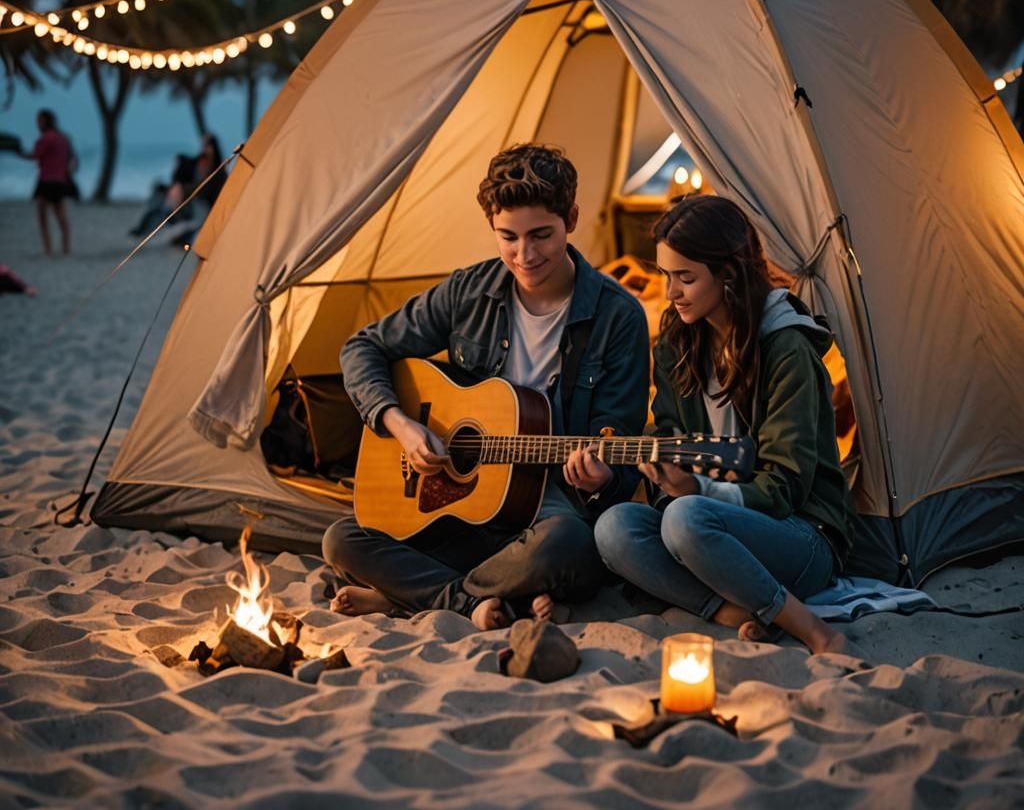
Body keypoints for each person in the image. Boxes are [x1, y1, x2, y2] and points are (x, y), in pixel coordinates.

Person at [323, 144, 650, 631]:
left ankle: (417, 596)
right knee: (341, 539)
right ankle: (475, 598)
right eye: (509, 237)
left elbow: (618, 450)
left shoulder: (618, 317)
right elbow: (361, 348)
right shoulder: (468, 291)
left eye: (542, 234)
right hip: (458, 507)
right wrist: (401, 425)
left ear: (573, 218)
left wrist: (603, 478)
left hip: (547, 513)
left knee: (570, 547)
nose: (526, 255)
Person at [587, 195, 859, 654]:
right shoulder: (676, 344)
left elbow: (787, 488)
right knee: (614, 528)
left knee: (686, 518)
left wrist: (696, 493)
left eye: (686, 278)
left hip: (801, 535)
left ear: (728, 275)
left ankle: (813, 630)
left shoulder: (787, 351)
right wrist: (647, 475)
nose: (670, 293)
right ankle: (735, 611)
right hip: (708, 532)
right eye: (664, 276)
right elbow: (670, 438)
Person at [18, 109, 75, 256]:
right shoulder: (63, 139)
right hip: (60, 180)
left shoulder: (45, 139)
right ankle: (65, 247)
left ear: (46, 121)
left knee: (43, 216)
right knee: (61, 215)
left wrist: (18, 153)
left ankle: (48, 248)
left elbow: (35, 155)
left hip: (46, 180)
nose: (37, 123)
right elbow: (70, 159)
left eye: (40, 120)